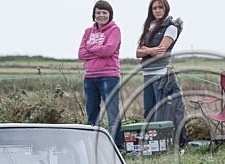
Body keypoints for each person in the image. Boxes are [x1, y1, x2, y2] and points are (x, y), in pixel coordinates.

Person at [135, 0, 185, 145]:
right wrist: (150, 50)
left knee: (162, 111)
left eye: (160, 7)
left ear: (166, 9)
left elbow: (161, 52)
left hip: (162, 74)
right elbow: (138, 52)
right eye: (154, 8)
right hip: (147, 74)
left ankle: (168, 142)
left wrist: (146, 50)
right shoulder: (148, 27)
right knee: (148, 110)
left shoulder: (171, 27)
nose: (157, 10)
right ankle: (152, 142)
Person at [78, 1, 124, 149]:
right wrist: (98, 50)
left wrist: (90, 48)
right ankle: (94, 145)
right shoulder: (87, 32)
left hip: (109, 76)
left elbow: (108, 50)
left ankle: (117, 146)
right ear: (94, 15)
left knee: (112, 112)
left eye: (104, 12)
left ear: (110, 14)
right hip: (90, 76)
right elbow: (80, 53)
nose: (101, 15)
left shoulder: (114, 30)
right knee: (92, 112)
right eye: (98, 12)